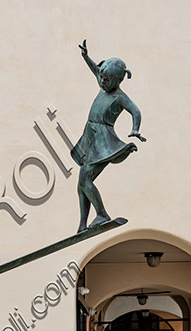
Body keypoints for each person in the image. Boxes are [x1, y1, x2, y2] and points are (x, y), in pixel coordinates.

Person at [71, 40, 146, 233]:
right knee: (81, 184)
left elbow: (135, 111)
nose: (102, 82)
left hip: (104, 141)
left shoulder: (119, 97)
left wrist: (135, 129)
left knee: (85, 180)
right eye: (101, 78)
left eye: (106, 80)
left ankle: (102, 214)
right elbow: (94, 69)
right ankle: (82, 224)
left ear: (118, 81)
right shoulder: (102, 80)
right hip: (91, 136)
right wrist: (86, 56)